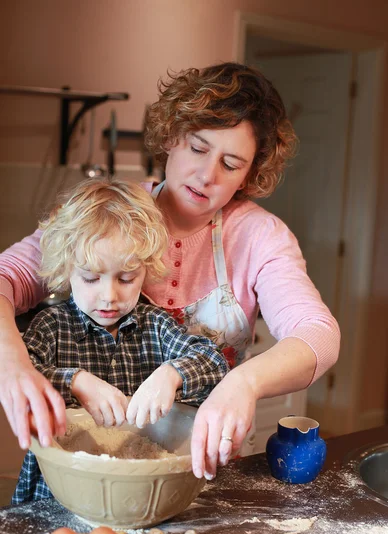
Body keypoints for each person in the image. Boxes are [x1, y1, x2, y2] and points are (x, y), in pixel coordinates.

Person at [0, 62, 340, 483]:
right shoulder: (111, 216)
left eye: (231, 164)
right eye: (198, 148)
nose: (206, 175)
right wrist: (13, 366)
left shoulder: (258, 237)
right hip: (94, 470)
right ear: (172, 137)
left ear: (250, 175)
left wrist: (244, 384)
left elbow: (318, 334)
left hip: (205, 467)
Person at [12, 178, 229, 503]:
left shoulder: (155, 325)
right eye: (90, 278)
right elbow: (22, 377)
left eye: (126, 278)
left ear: (146, 270)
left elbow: (214, 362)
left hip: (139, 493)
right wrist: (75, 382)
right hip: (59, 493)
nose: (109, 296)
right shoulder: (52, 326)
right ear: (66, 268)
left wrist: (171, 375)